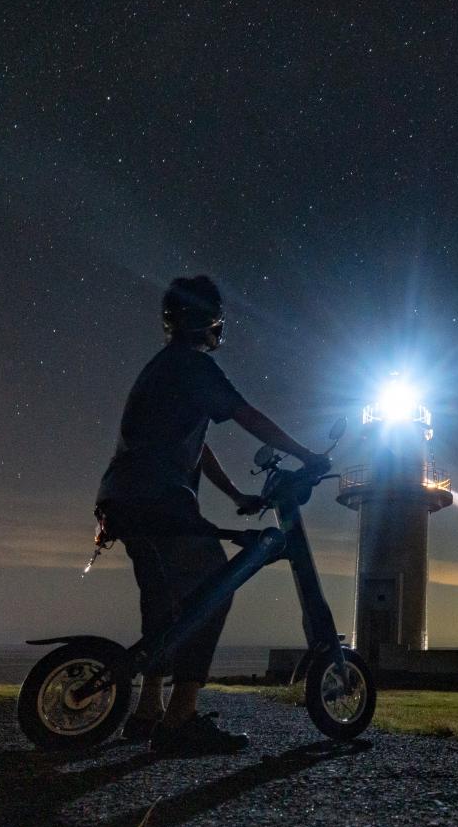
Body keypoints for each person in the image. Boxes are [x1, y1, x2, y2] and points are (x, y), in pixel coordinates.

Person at [95, 274, 328, 755]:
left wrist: (236, 493)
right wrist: (307, 454)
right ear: (209, 321)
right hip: (160, 498)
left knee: (164, 603)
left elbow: (196, 448)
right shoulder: (194, 367)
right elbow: (248, 416)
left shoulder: (161, 368)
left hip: (120, 498)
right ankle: (181, 719)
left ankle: (148, 711)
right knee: (213, 588)